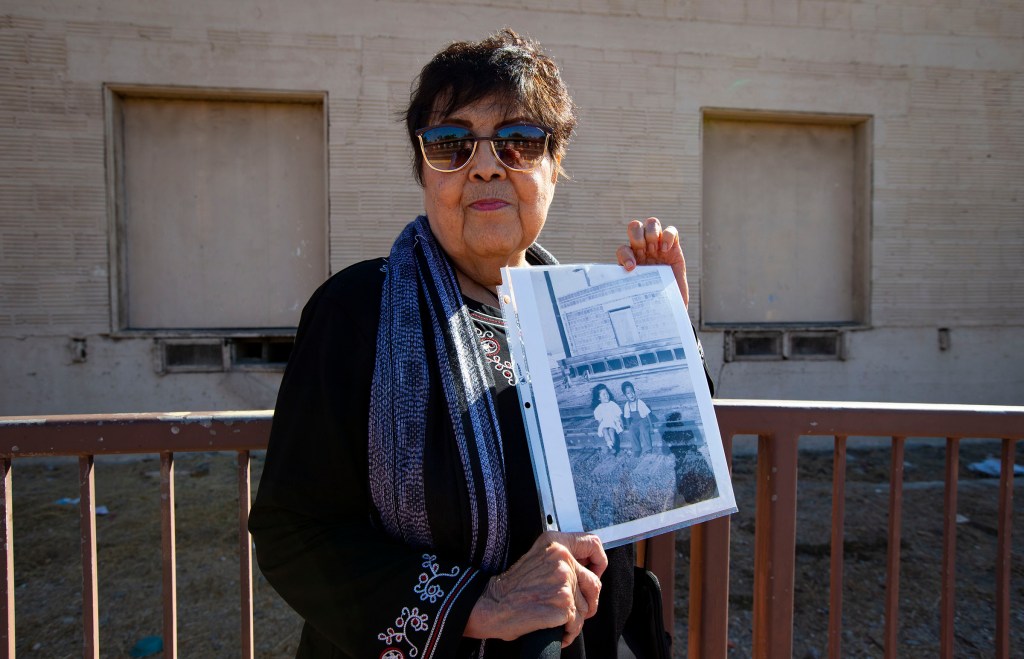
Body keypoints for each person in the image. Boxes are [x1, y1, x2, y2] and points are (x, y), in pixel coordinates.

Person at [248, 28, 698, 658]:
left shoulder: (582, 311)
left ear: (554, 166)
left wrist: (666, 332)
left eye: (519, 141)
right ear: (423, 170)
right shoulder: (357, 312)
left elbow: (670, 468)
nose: (485, 165)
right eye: (451, 144)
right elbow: (293, 532)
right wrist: (485, 603)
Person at [621, 382, 655, 455]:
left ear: (634, 392)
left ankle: (648, 448)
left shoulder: (640, 403)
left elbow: (647, 415)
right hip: (634, 422)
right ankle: (637, 449)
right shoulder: (627, 405)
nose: (631, 394)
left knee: (643, 430)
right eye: (628, 393)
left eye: (632, 392)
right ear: (625, 395)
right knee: (632, 432)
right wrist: (629, 427)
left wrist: (651, 426)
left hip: (643, 420)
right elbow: (627, 417)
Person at [591, 383, 624, 455]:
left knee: (611, 430)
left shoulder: (612, 404)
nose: (606, 395)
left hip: (613, 422)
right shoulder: (598, 408)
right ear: (599, 398)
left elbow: (619, 416)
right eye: (603, 394)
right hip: (605, 423)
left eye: (607, 393)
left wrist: (621, 425)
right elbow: (600, 421)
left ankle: (613, 446)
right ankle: (609, 445)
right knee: (604, 430)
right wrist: (601, 427)